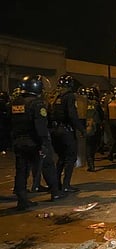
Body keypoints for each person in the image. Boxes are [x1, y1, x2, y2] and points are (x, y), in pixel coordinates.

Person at [11, 75, 65, 210]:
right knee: (48, 165)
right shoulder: (37, 103)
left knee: (21, 171)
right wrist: (44, 143)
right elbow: (40, 126)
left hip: (18, 141)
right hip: (34, 141)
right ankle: (55, 192)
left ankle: (22, 200)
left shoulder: (15, 103)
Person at [49, 74, 86, 193]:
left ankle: (57, 184)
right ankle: (66, 185)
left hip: (55, 131)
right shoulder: (69, 97)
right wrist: (82, 129)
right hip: (66, 131)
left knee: (61, 158)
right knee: (70, 158)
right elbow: (72, 116)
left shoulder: (56, 97)